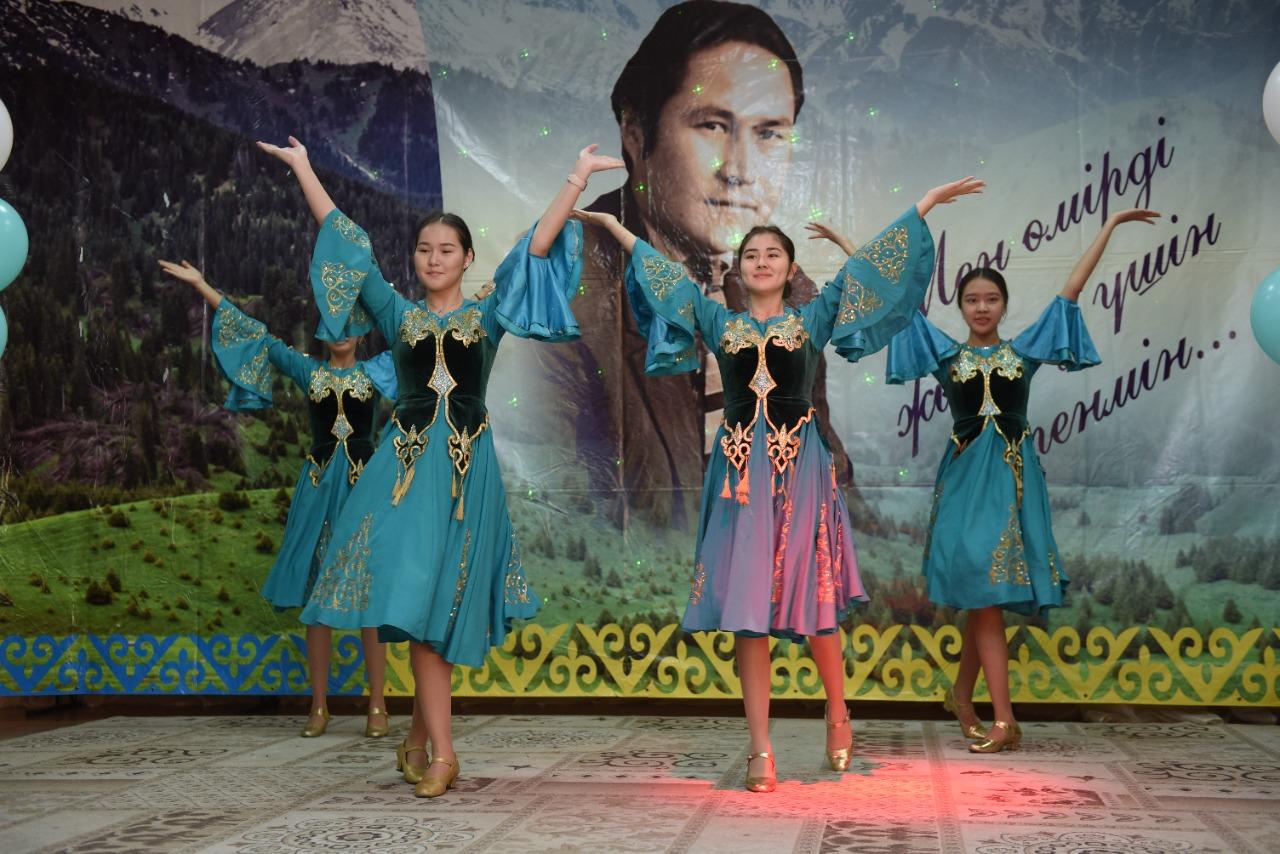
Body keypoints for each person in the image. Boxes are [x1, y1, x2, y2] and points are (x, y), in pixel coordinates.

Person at [574, 175, 984, 791]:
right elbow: (664, 279)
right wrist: (615, 228)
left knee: (815, 602)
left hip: (802, 471)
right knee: (748, 613)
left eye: (773, 254)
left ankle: (838, 714)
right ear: (739, 270)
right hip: (739, 475)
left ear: (791, 269)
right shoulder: (719, 321)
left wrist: (923, 203)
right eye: (751, 255)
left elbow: (869, 269)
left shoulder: (813, 317)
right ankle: (760, 748)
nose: (761, 262)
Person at [259, 136, 623, 797]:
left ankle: (421, 739)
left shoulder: (487, 317)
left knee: (442, 613)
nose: (433, 258)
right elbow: (346, 241)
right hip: (401, 479)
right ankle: (443, 754)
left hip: (464, 475)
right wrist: (306, 168)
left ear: (466, 258)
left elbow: (535, 249)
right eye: (424, 249)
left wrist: (575, 177)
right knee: (422, 608)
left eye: (446, 249)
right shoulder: (396, 314)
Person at [548, 0, 857, 530]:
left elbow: (825, 469)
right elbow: (561, 509)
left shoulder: (786, 292)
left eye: (769, 133)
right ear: (635, 132)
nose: (740, 170)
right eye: (713, 126)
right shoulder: (566, 286)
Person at [880, 208, 1159, 752]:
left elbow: (1071, 292)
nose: (982, 307)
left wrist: (1110, 226)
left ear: (1004, 305)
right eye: (972, 300)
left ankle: (985, 708)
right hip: (964, 481)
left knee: (987, 595)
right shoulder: (947, 356)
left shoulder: (1022, 353)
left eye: (991, 299)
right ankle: (992, 712)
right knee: (982, 594)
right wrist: (851, 247)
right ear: (960, 306)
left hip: (1011, 481)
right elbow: (896, 301)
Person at [157, 258, 396, 739]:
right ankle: (319, 705)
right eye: (333, 325)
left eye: (350, 324)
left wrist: (471, 305)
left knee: (369, 596)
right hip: (317, 491)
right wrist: (204, 285)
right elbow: (257, 337)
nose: (342, 333)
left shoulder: (378, 371)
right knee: (315, 594)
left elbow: (425, 343)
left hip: (363, 491)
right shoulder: (309, 372)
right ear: (322, 333)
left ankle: (378, 704)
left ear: (363, 331)